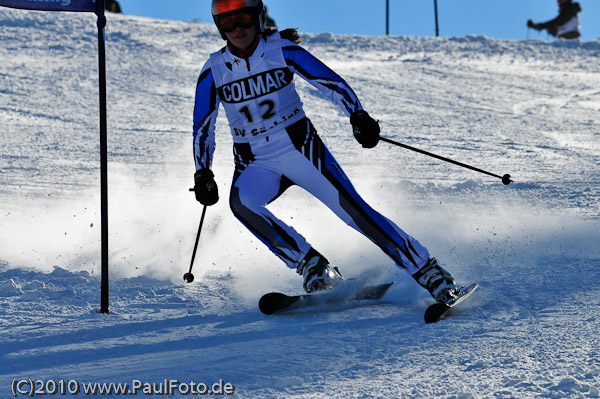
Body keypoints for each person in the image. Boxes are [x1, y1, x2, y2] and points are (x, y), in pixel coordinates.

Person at [192, 0, 463, 304]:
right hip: (255, 161)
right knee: (243, 204)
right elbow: (203, 127)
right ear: (220, 28)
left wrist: (357, 115)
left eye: (243, 19)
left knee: (354, 212)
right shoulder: (213, 70)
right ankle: (313, 266)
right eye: (229, 23)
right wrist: (203, 171)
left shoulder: (280, 50)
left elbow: (330, 83)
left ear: (257, 18)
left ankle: (430, 272)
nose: (238, 29)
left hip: (300, 149)